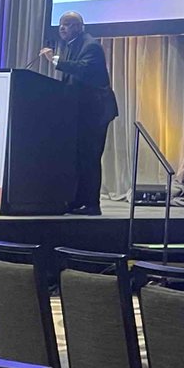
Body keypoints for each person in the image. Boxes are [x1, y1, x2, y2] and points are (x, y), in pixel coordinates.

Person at [40, 12, 118, 216]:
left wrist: (54, 60)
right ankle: (77, 200)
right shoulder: (72, 45)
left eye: (66, 24)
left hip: (95, 111)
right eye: (60, 25)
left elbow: (83, 70)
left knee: (90, 157)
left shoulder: (90, 45)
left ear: (78, 26)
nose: (61, 29)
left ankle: (92, 204)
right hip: (80, 111)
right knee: (78, 158)